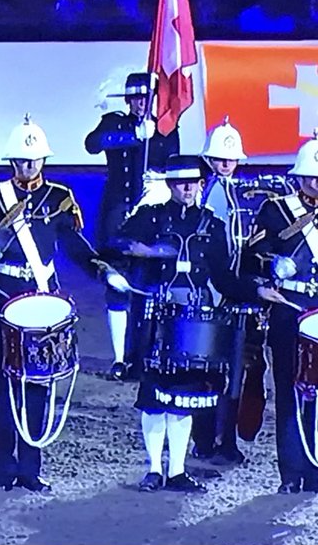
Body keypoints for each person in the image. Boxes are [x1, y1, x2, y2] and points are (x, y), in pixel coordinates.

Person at [0, 115, 121, 492]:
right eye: (21, 160)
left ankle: (31, 470)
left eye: (34, 160)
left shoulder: (59, 197)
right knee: (2, 387)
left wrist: (100, 269)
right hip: (3, 294)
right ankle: (4, 471)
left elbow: (74, 245)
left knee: (39, 384)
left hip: (42, 294)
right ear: (11, 161)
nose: (28, 166)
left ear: (44, 160)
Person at [113, 155, 259, 493]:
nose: (189, 188)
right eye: (181, 183)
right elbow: (116, 243)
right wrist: (148, 252)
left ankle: (176, 470)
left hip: (194, 322)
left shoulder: (212, 225)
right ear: (170, 185)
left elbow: (223, 278)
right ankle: (153, 469)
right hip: (155, 318)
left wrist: (255, 291)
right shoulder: (150, 217)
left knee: (183, 399)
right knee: (153, 397)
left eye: (194, 182)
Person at [189, 119, 291, 465]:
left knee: (242, 366)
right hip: (216, 292)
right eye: (220, 158)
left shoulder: (243, 195)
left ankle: (226, 438)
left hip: (241, 292)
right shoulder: (206, 195)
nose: (225, 164)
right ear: (209, 160)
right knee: (213, 369)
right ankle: (208, 439)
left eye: (230, 159)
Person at [84, 72, 180, 379]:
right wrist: (133, 136)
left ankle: (145, 352)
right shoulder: (114, 123)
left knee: (148, 284)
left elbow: (172, 164)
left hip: (150, 217)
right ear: (128, 100)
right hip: (118, 214)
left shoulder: (166, 130)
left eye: (146, 98)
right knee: (116, 283)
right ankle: (118, 356)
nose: (141, 103)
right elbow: (92, 144)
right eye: (136, 98)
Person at [244, 134, 318, 494]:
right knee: (289, 393)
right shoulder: (277, 211)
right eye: (312, 176)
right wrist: (273, 266)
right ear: (300, 177)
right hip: (291, 310)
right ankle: (291, 473)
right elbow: (253, 255)